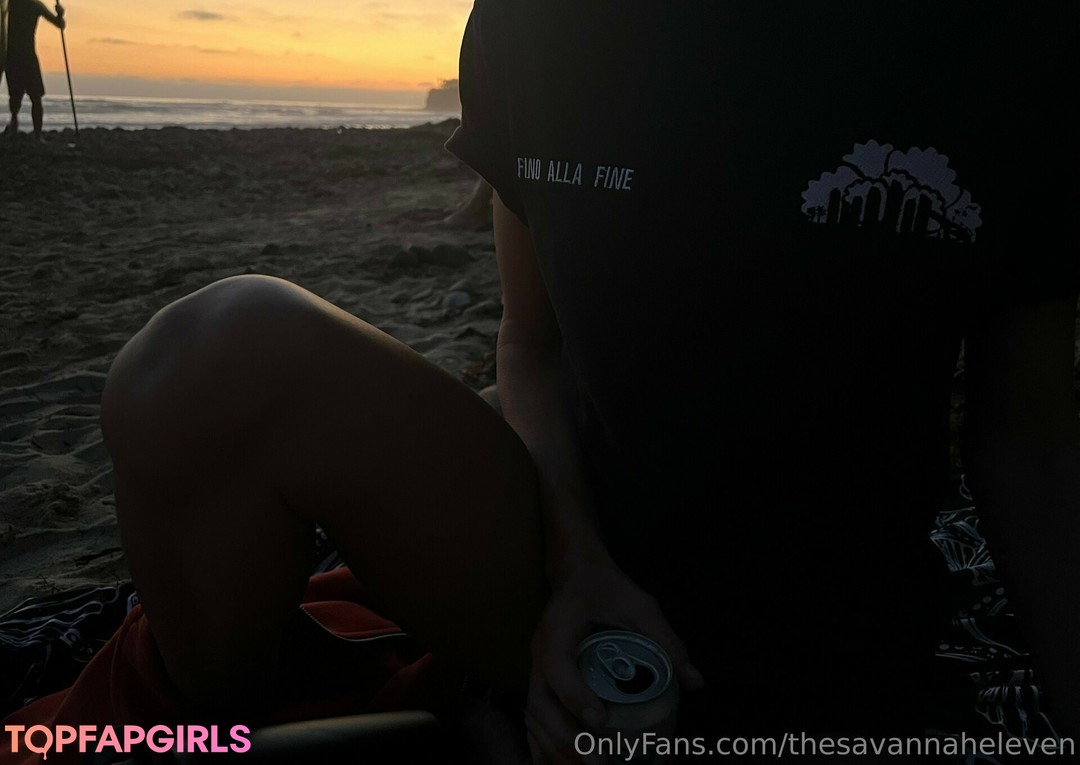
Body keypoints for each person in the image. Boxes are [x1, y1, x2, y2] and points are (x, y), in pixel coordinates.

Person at [97, 3, 1078, 764]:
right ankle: (209, 731)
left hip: (830, 621)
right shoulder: (536, 23)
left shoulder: (1005, 39)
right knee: (206, 357)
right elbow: (533, 344)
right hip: (567, 552)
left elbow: (1029, 437)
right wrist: (579, 565)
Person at [2, 0, 64, 142]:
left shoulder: (29, 5)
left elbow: (60, 24)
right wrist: (59, 16)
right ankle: (21, 132)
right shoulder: (11, 4)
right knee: (18, 98)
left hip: (22, 56)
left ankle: (35, 135)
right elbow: (60, 24)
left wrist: (60, 15)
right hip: (15, 56)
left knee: (32, 97)